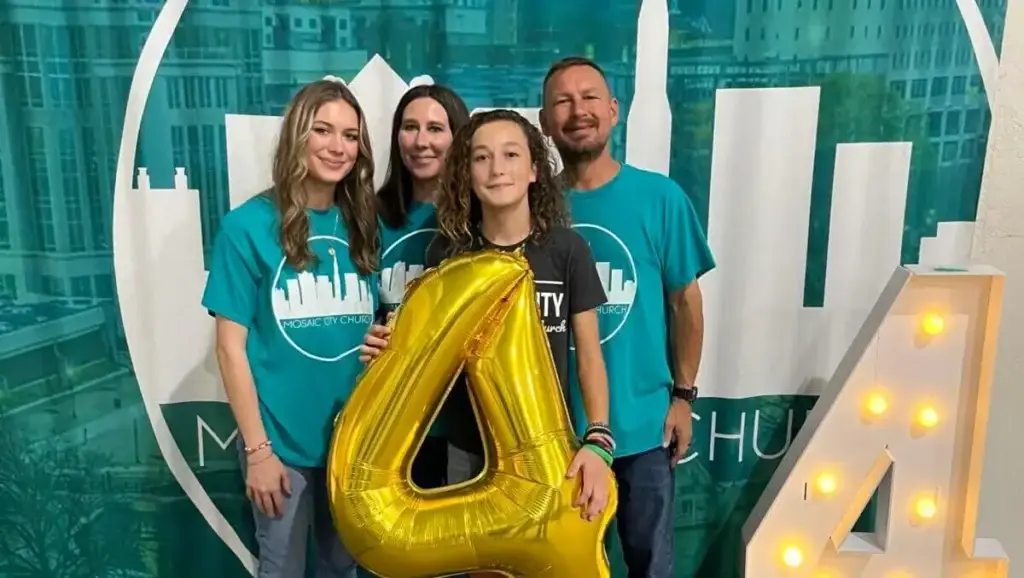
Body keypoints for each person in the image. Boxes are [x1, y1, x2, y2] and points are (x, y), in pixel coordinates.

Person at [360, 109, 616, 576]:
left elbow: (591, 357)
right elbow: (425, 351)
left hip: (551, 457)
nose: (497, 168)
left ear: (535, 169)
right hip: (470, 455)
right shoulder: (448, 254)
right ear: (467, 174)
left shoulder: (567, 250)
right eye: (481, 157)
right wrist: (389, 350)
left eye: (511, 155)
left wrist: (598, 441)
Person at [539, 56, 716, 577]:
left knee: (649, 567)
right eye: (562, 102)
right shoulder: (528, 204)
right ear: (545, 121)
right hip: (551, 436)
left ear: (614, 111)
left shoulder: (660, 198)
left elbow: (685, 304)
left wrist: (683, 397)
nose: (578, 111)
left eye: (590, 98)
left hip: (642, 432)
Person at [203, 79, 379, 578]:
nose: (337, 146)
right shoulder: (247, 227)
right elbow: (230, 351)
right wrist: (259, 452)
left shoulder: (362, 224)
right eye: (322, 130)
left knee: (342, 570)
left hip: (351, 442)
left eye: (350, 135)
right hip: (279, 443)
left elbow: (367, 323)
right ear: (297, 136)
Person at [371, 83, 470, 489]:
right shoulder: (370, 215)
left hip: (468, 418)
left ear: (457, 137)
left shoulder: (481, 219)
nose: (421, 141)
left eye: (435, 128)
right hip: (394, 417)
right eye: (410, 127)